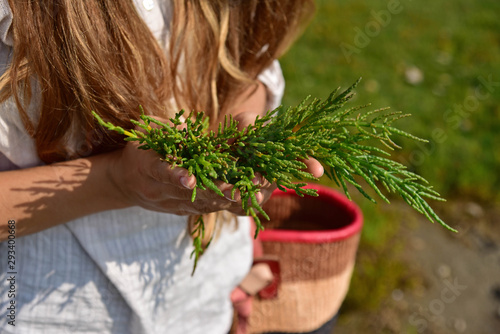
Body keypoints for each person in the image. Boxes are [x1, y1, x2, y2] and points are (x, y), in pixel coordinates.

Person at [0, 0, 321, 333]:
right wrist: (114, 181)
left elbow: (250, 58)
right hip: (42, 309)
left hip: (204, 298)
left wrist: (239, 129)